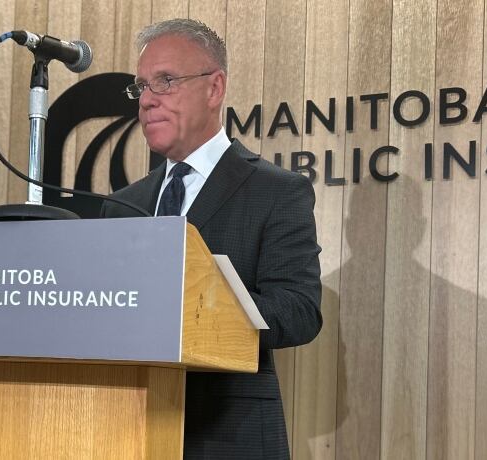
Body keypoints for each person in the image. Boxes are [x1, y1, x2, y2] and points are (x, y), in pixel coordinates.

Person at [101, 19, 323, 459]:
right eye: (141, 86)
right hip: (124, 429)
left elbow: (299, 310)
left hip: (228, 434)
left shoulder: (276, 190)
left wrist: (198, 307)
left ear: (214, 88)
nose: (147, 100)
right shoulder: (121, 205)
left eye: (165, 81)